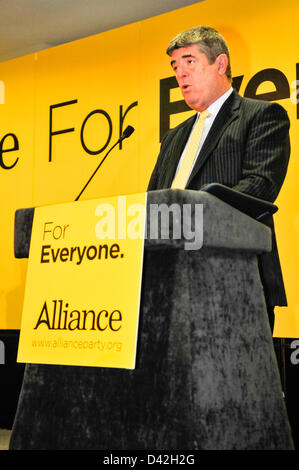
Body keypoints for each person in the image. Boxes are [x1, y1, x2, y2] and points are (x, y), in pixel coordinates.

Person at [148, 26, 291, 331]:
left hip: (236, 277)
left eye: (189, 61)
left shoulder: (261, 116)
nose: (180, 74)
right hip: (168, 281)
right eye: (175, 66)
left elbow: (259, 187)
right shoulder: (173, 137)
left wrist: (190, 220)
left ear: (221, 64)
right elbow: (153, 200)